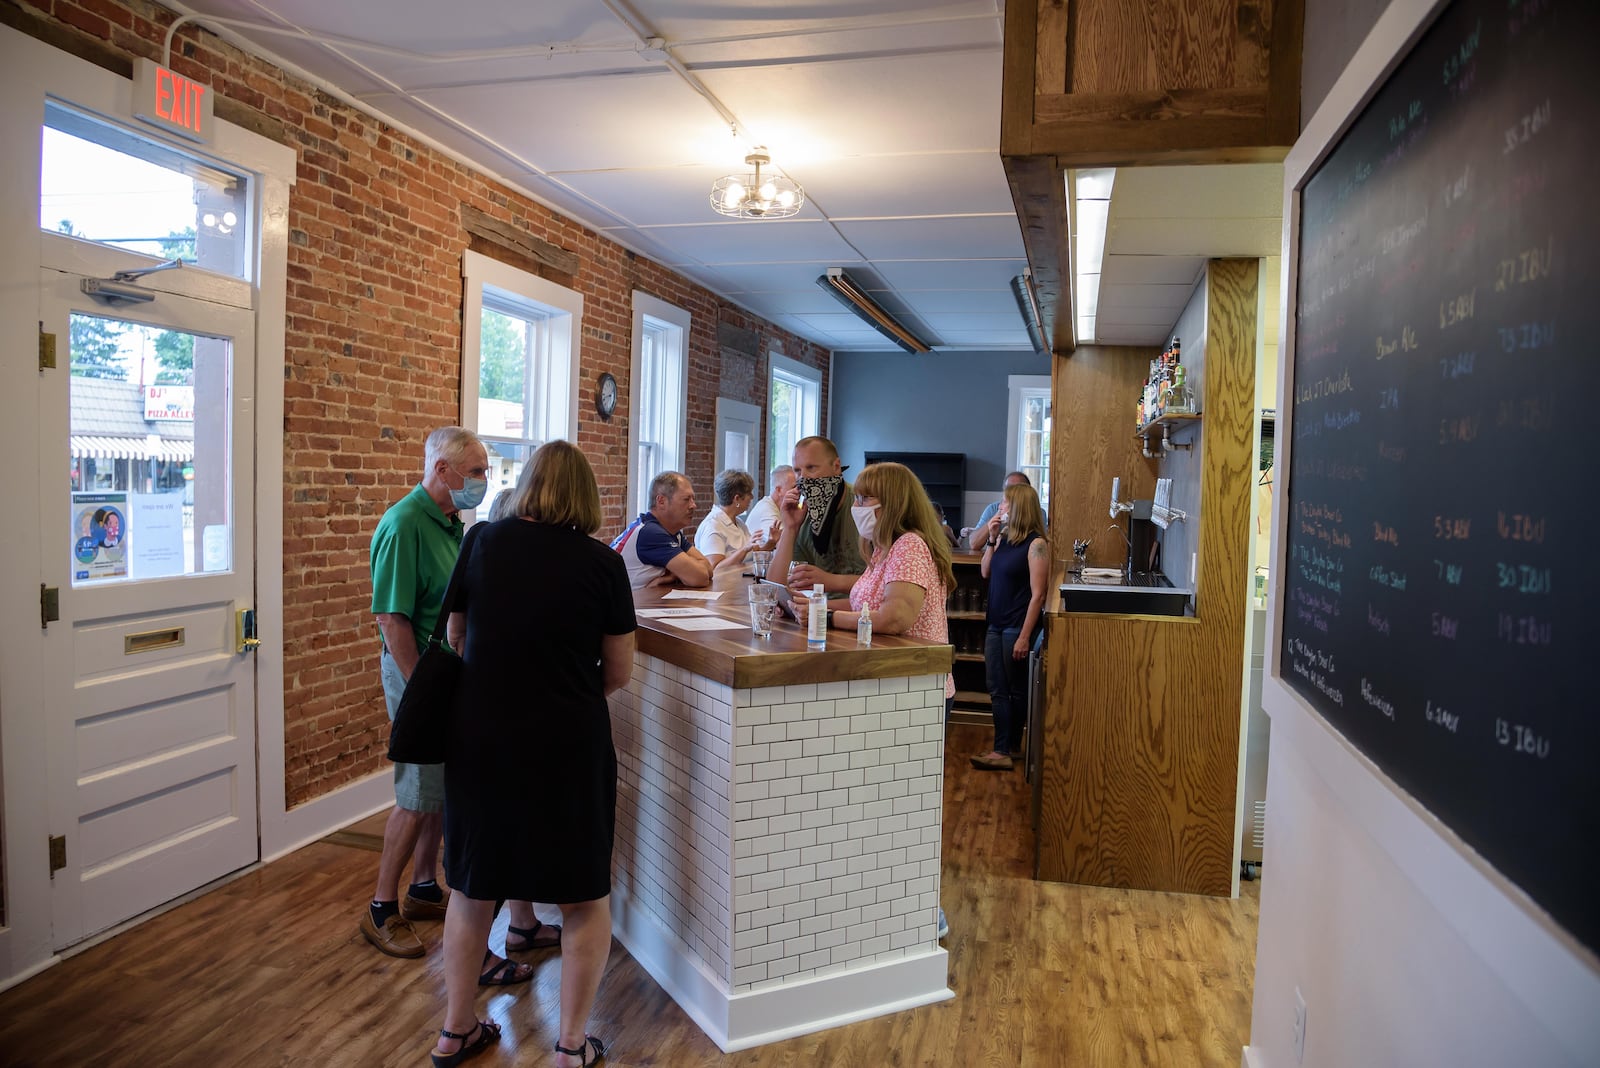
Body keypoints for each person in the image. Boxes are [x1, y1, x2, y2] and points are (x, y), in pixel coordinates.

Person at [431, 440, 635, 1068]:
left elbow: (455, 636)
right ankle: (571, 1046)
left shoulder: (481, 543)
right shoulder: (602, 564)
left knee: (471, 887)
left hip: (481, 739)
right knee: (582, 896)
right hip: (567, 743)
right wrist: (564, 693)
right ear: (584, 496)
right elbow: (619, 671)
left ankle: (456, 1029)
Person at [364, 426, 533, 986]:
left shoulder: (448, 522)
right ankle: (382, 907)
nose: (484, 481)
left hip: (442, 670)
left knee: (438, 786)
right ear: (443, 471)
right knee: (415, 792)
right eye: (477, 471)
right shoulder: (405, 522)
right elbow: (393, 618)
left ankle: (421, 888)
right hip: (418, 672)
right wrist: (420, 691)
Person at [789, 460, 956, 938]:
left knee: (908, 804)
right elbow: (864, 601)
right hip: (894, 688)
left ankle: (923, 907)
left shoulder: (909, 547)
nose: (856, 506)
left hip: (915, 691)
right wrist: (814, 605)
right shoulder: (884, 550)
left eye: (864, 499)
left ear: (891, 504)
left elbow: (894, 618)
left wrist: (822, 618)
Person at [970, 481, 1050, 771]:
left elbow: (1038, 594)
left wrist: (1025, 636)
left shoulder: (1036, 544)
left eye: (1005, 503)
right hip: (995, 624)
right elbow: (985, 571)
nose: (1000, 508)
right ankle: (1010, 746)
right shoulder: (1003, 539)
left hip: (1016, 626)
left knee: (1011, 689)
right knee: (998, 687)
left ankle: (1002, 749)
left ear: (1019, 508)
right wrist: (991, 538)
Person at [766, 436, 866, 598]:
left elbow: (886, 584)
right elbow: (774, 589)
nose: (803, 478)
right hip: (818, 612)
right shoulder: (804, 514)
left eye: (811, 468)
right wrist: (790, 528)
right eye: (797, 471)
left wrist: (831, 581)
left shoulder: (864, 506)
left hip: (863, 616)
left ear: (836, 466)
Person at [610, 471, 713, 589]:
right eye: (686, 499)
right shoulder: (650, 533)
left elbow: (709, 569)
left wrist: (671, 577)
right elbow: (699, 577)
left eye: (693, 499)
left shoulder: (672, 533)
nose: (693, 505)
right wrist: (678, 574)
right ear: (661, 501)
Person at [694, 468, 759, 573]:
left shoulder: (739, 523)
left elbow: (753, 553)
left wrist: (771, 541)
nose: (752, 497)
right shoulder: (713, 526)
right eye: (749, 493)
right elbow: (714, 568)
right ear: (736, 498)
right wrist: (744, 549)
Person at [967, 471, 1033, 550]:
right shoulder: (994, 508)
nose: (1012, 493)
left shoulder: (1036, 512)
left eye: (1017, 489)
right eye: (1009, 489)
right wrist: (998, 515)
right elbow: (974, 544)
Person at [744, 463, 794, 547]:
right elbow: (783, 545)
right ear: (779, 490)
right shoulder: (767, 509)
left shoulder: (783, 508)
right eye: (794, 487)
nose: (799, 491)